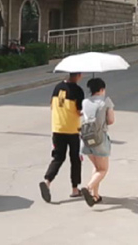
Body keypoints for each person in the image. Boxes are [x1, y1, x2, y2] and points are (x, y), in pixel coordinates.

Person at [39, 72, 85, 203]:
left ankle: (47, 181)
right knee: (75, 159)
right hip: (72, 129)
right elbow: (79, 111)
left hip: (57, 128)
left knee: (58, 157)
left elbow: (51, 105)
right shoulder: (78, 90)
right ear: (78, 75)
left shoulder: (57, 87)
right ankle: (75, 189)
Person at [80, 77, 115, 207]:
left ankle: (95, 196)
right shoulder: (106, 101)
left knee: (96, 167)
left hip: (86, 139)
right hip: (99, 140)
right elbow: (111, 120)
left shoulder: (85, 102)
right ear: (101, 89)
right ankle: (88, 187)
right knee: (103, 169)